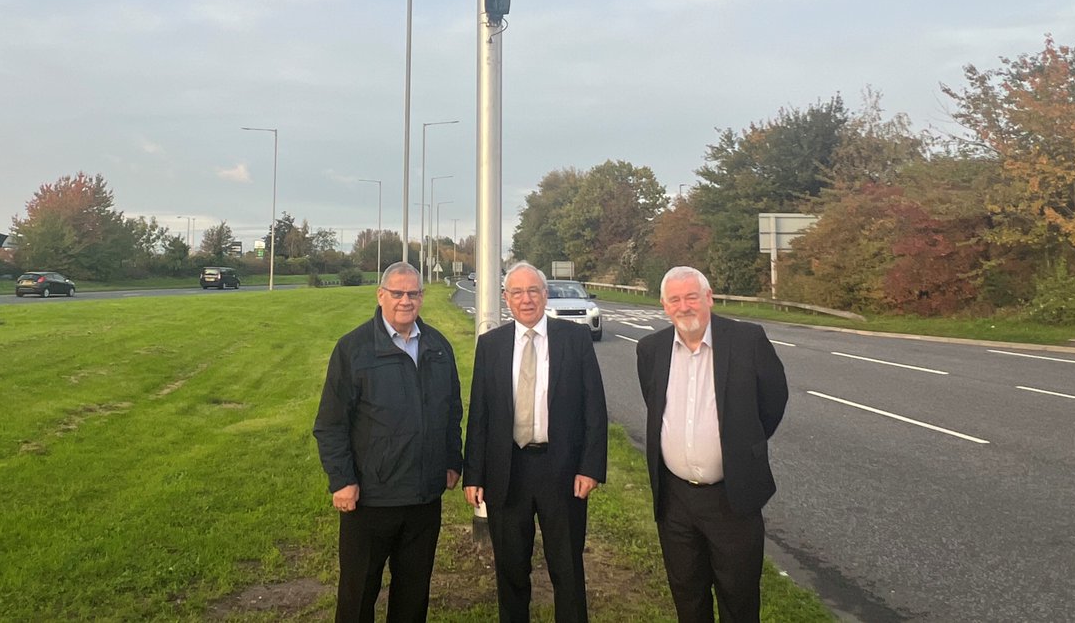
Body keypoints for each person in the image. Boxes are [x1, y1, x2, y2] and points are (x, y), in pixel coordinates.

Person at [636, 266, 788, 623]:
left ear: (709, 298)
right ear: (664, 305)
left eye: (692, 296)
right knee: (687, 595)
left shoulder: (747, 341)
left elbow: (773, 401)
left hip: (731, 498)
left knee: (738, 599)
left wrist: (741, 445)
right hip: (675, 500)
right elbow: (655, 404)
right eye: (675, 299)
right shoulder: (650, 349)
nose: (684, 306)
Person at [313, 262, 463, 623]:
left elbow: (452, 411)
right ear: (381, 296)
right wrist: (342, 481)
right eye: (397, 293)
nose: (405, 301)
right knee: (358, 592)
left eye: (413, 293)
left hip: (424, 499)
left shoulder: (438, 347)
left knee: (413, 593)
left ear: (422, 298)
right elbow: (330, 424)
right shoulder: (353, 349)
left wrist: (451, 461)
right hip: (371, 498)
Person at [463, 261, 608, 623]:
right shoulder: (491, 345)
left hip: (561, 469)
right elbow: (479, 414)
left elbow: (594, 406)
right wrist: (473, 474)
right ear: (505, 298)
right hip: (507, 471)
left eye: (533, 291)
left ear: (544, 295)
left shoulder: (573, 340)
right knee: (510, 567)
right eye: (517, 292)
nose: (525, 299)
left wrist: (590, 468)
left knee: (567, 567)